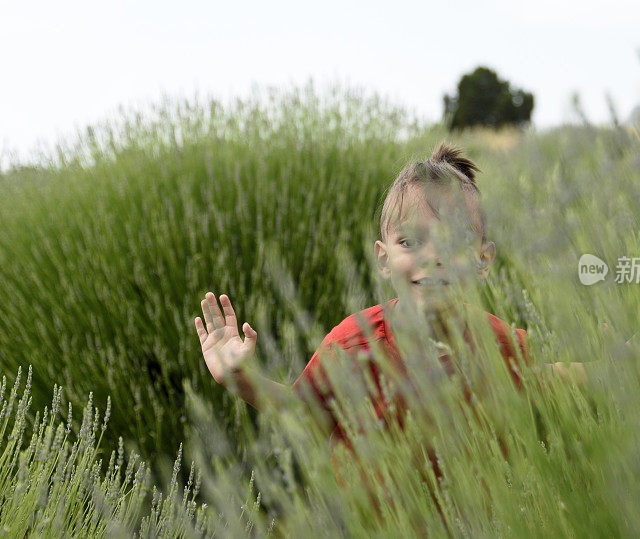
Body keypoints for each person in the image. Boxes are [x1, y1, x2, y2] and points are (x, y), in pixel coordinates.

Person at [194, 141, 586, 526]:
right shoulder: (353, 344)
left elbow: (543, 376)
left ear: (484, 261)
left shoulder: (494, 340)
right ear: (384, 258)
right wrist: (239, 378)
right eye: (410, 241)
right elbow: (303, 412)